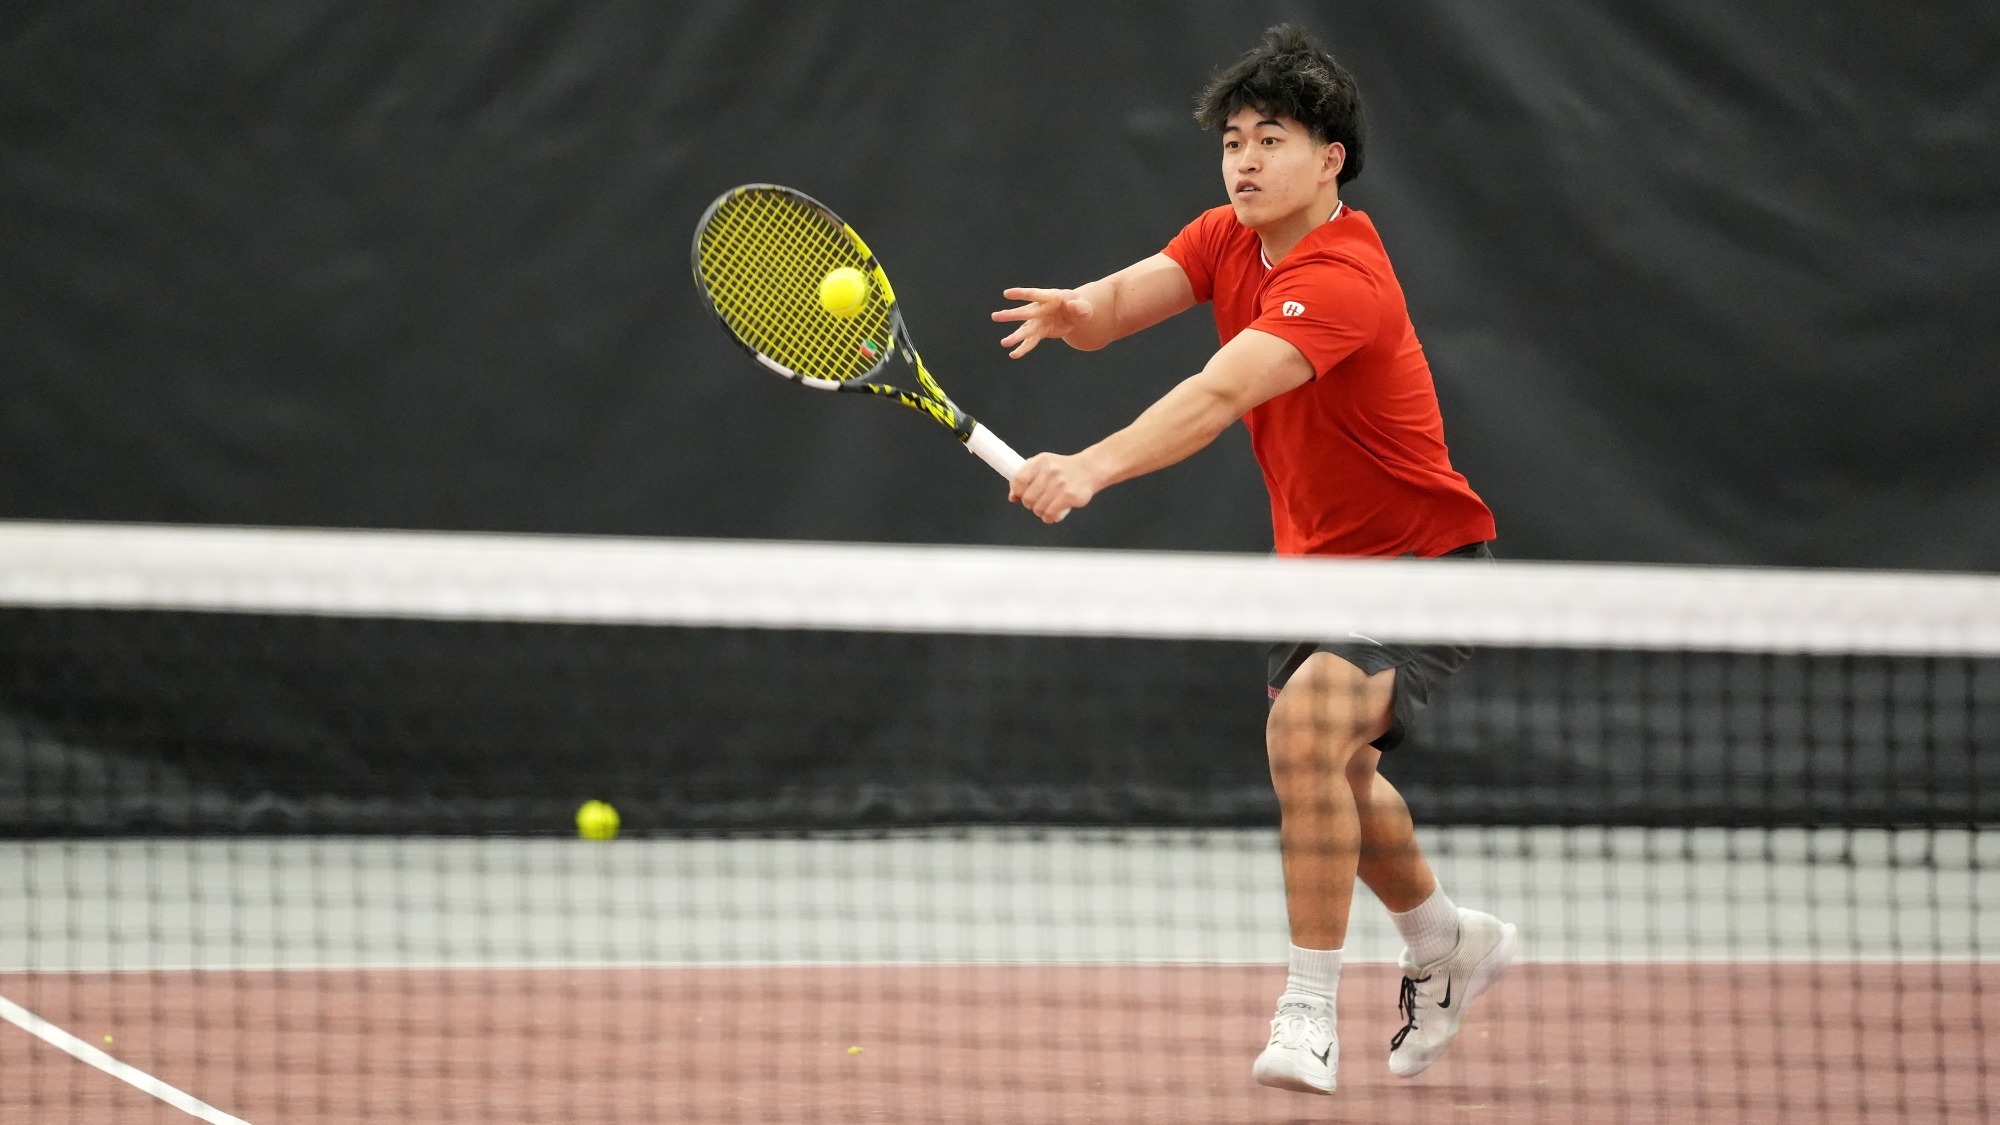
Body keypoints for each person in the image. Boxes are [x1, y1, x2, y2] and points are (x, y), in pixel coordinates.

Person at [992, 23, 1517, 1096]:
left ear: (1328, 160)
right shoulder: (1225, 237)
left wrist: (1088, 467)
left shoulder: (1344, 277)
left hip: (1417, 559)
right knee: (1336, 771)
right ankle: (1443, 939)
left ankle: (1307, 1012)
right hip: (1315, 570)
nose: (1242, 159)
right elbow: (1122, 302)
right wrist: (1079, 312)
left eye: (1270, 138)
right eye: (1232, 139)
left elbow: (1219, 391)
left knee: (1302, 731)